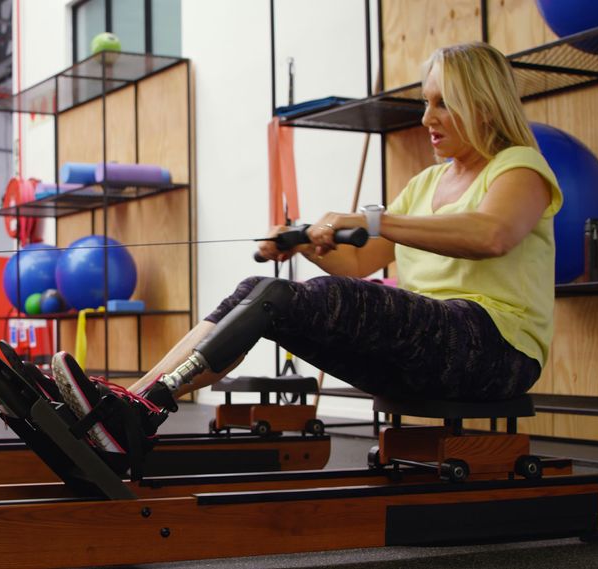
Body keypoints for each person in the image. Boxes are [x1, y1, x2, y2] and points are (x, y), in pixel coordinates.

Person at [49, 41, 563, 459]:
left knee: (297, 298)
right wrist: (307, 242)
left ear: (484, 103)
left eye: (442, 102)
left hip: (496, 350)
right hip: (425, 349)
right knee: (264, 293)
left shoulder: (519, 167)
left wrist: (371, 219)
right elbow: (359, 263)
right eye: (426, 100)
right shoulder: (425, 184)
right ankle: (127, 406)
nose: (427, 115)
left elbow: (492, 234)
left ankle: (134, 414)